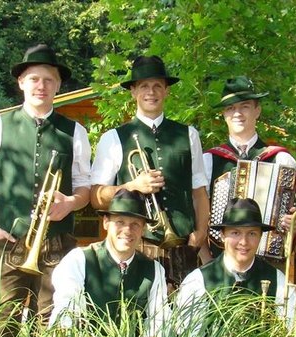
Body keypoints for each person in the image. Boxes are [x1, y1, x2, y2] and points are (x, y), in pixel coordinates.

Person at [0, 44, 91, 337]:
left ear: (59, 85)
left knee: (57, 324)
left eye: (49, 79)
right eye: (34, 78)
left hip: (58, 244)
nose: (41, 85)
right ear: (21, 83)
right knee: (4, 323)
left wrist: (71, 203)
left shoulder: (76, 133)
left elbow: (85, 189)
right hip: (10, 241)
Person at [90, 55, 211, 286]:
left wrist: (200, 233)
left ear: (166, 91)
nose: (151, 92)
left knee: (185, 315)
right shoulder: (113, 138)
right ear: (133, 91)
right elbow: (96, 197)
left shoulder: (189, 135)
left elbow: (199, 192)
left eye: (157, 86)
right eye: (144, 86)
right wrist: (132, 187)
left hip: (184, 245)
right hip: (138, 243)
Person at [49, 189, 169, 337]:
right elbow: (66, 312)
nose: (127, 230)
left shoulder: (154, 269)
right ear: (105, 222)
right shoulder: (79, 260)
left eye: (135, 224)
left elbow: (159, 321)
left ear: (143, 228)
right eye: (120, 222)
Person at [204, 76, 296, 258]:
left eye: (244, 106)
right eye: (231, 108)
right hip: (219, 260)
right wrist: (207, 258)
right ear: (224, 115)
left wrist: (293, 222)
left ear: (257, 110)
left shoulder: (281, 159)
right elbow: (199, 214)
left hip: (269, 261)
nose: (237, 113)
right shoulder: (209, 160)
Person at [176, 198, 295, 335]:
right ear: (222, 235)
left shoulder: (277, 280)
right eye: (235, 233)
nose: (244, 242)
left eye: (252, 234)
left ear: (260, 237)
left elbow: (291, 330)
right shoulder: (198, 281)